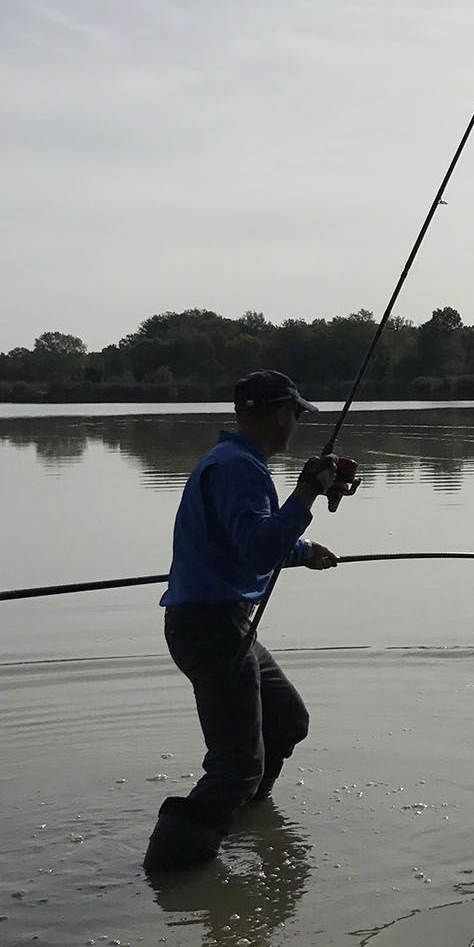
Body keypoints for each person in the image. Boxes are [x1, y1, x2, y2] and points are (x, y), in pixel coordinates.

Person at [143, 370, 357, 876]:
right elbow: (259, 549)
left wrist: (301, 552)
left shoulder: (233, 462)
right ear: (281, 414)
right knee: (236, 767)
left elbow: (245, 543)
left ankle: (233, 821)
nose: (297, 425)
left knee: (286, 721)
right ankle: (171, 874)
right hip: (213, 627)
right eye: (297, 415)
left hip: (221, 620)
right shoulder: (239, 468)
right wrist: (306, 493)